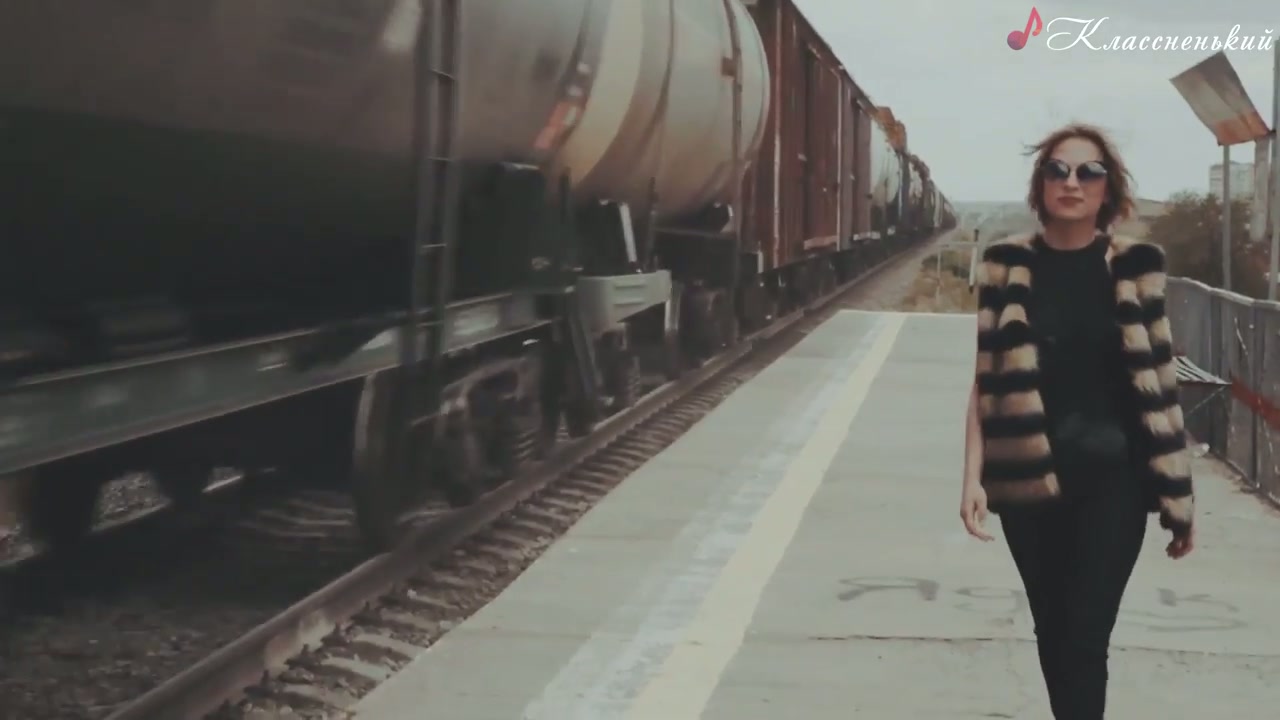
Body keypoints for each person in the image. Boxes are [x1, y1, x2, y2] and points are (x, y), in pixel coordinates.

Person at [958, 123, 1195, 719]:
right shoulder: (1006, 264)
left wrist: (1179, 495)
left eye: (1089, 171)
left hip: (1115, 482)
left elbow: (1161, 382)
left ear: (1107, 188)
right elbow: (986, 379)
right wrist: (971, 478)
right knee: (1053, 630)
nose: (1072, 182)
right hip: (1026, 482)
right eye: (1058, 170)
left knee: (1086, 636)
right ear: (1041, 184)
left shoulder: (1137, 265)